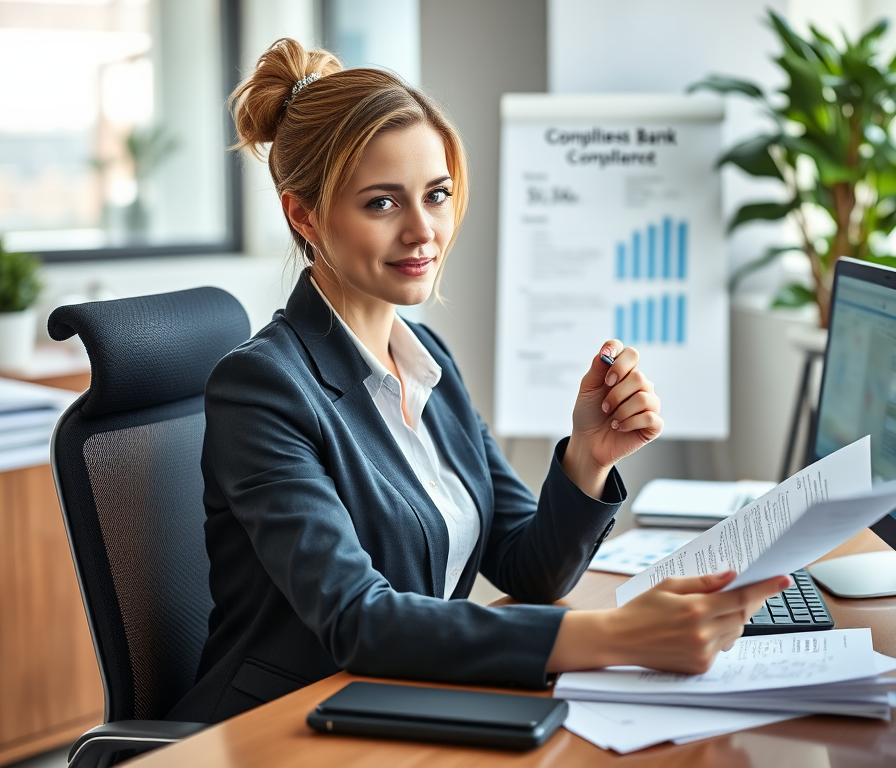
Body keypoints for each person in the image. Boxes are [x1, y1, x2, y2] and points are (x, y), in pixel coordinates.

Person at [168, 38, 789, 724]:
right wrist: (620, 635)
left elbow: (527, 570)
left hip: (404, 704)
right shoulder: (263, 388)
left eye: (436, 195)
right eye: (382, 203)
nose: (423, 231)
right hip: (286, 727)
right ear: (304, 215)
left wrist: (587, 457)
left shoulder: (426, 358)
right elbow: (357, 622)